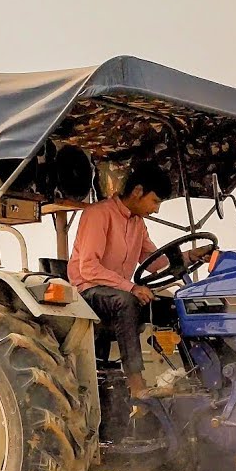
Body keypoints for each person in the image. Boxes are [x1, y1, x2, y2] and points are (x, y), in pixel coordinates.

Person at [68, 162, 211, 402]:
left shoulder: (137, 223)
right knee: (127, 302)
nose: (156, 210)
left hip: (118, 291)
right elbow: (89, 268)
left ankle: (196, 377)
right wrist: (132, 287)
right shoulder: (98, 214)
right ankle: (137, 385)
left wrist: (188, 256)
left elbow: (156, 263)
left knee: (176, 306)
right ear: (137, 191)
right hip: (88, 292)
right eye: (155, 201)